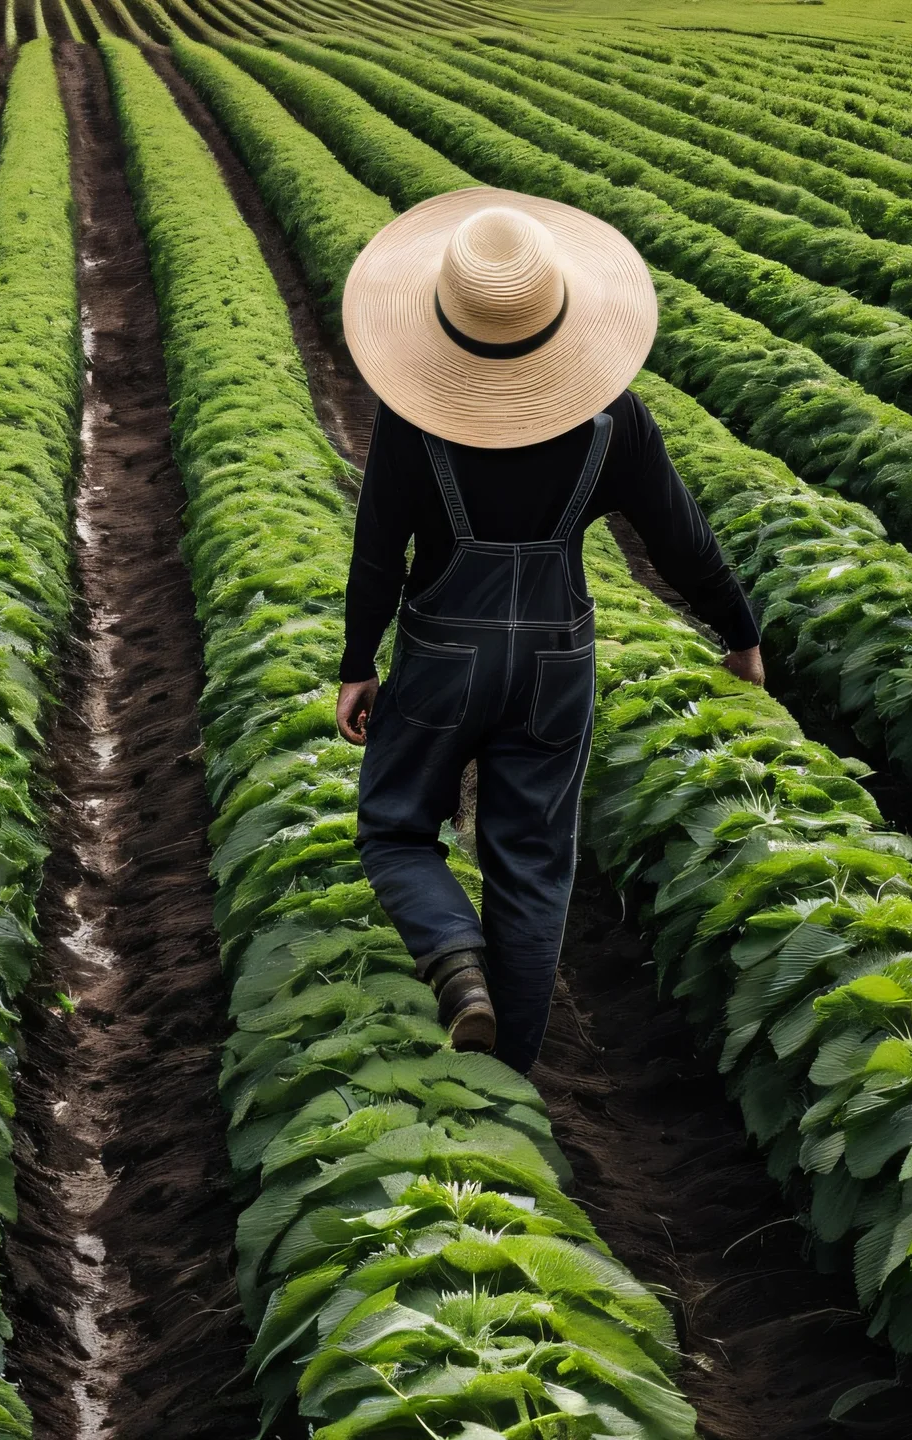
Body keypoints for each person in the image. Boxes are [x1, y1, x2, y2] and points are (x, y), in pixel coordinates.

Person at [335, 187, 765, 1073]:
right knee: (531, 862)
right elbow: (681, 540)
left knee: (396, 827)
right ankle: (508, 1075)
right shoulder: (614, 422)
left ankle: (457, 965)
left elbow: (378, 548)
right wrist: (739, 631)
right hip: (557, 659)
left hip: (445, 651)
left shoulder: (417, 418)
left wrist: (357, 661)